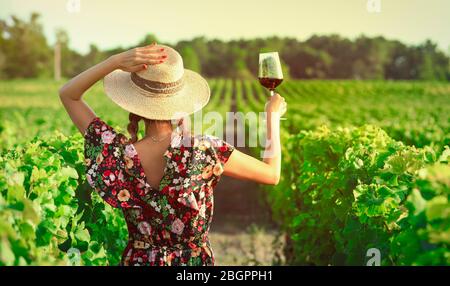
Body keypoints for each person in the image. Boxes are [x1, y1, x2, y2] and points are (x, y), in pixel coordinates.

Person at [59, 43, 287, 266]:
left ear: (134, 104)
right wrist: (272, 117)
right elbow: (271, 174)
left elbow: (68, 94)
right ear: (180, 100)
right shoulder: (204, 150)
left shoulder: (117, 153)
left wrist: (115, 61)